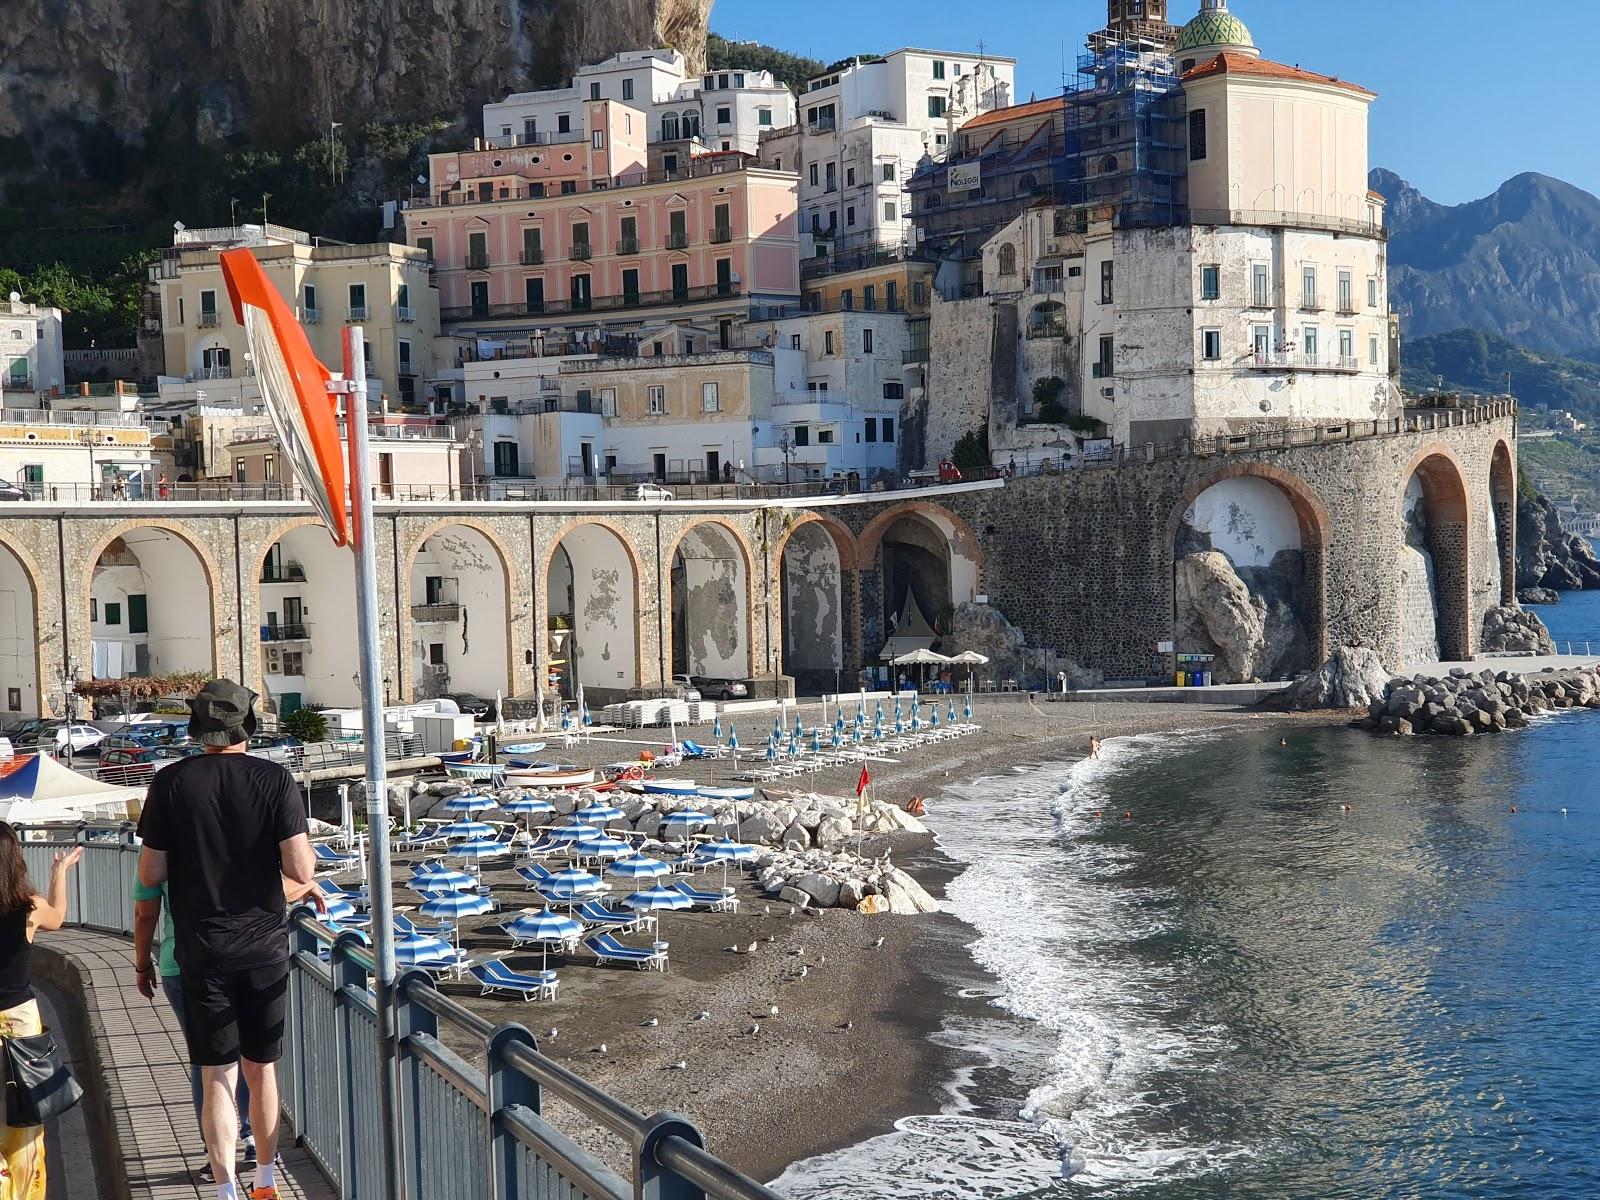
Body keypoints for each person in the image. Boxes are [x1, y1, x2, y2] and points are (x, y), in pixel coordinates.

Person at [136, 680, 317, 1200]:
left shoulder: (170, 782)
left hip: (200, 947)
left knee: (217, 1075)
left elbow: (150, 872)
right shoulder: (275, 779)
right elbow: (301, 868)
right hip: (262, 946)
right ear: (247, 726)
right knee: (262, 1070)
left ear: (199, 729)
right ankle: (264, 1181)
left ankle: (224, 1190)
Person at [0, 822, 83, 1198]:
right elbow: (59, 916)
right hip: (20, 1022)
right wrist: (59, 873)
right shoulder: (28, 907)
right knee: (25, 1117)